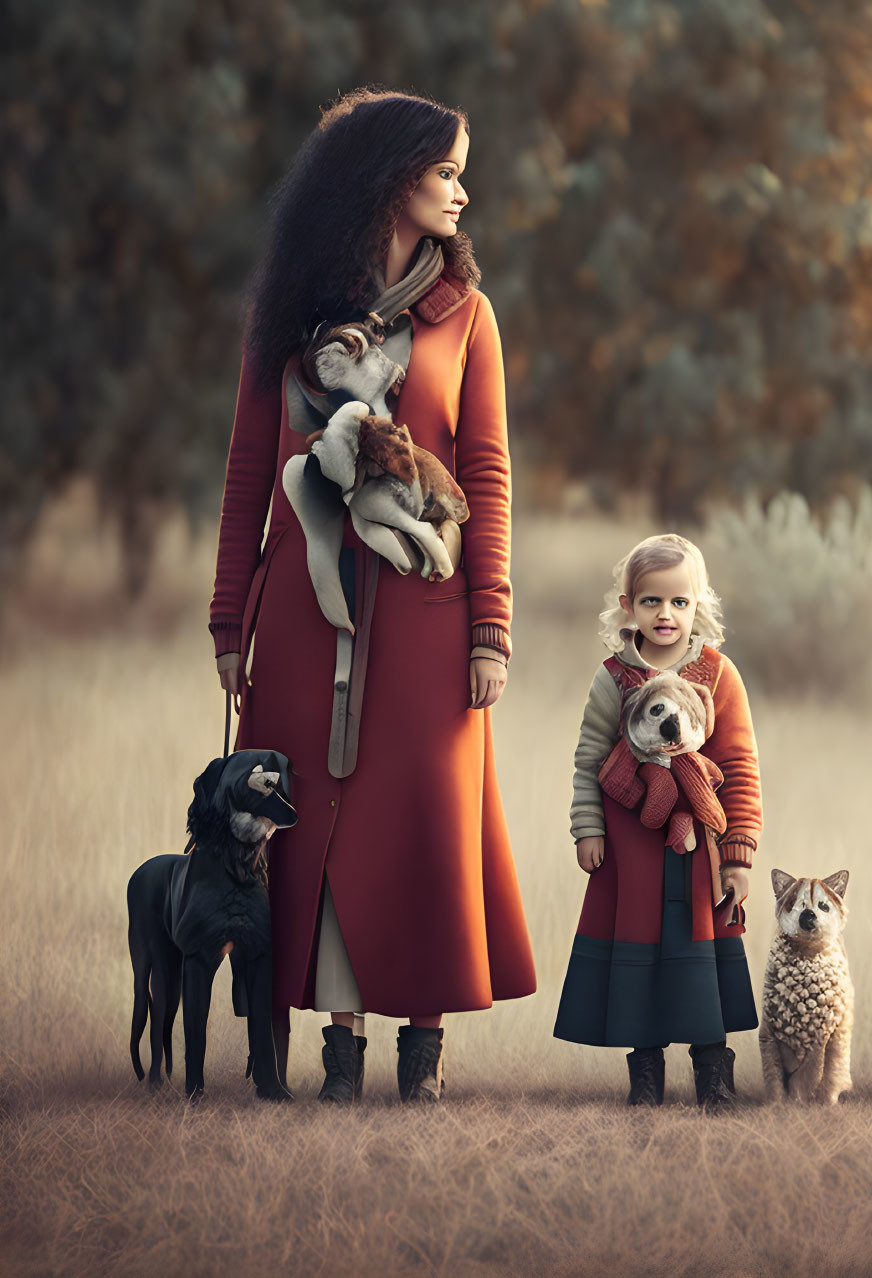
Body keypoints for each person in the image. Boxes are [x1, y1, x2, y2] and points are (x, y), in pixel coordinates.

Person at [209, 88, 535, 1104]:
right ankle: (338, 1053)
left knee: (426, 825)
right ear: (386, 180)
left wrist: (491, 626)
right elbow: (249, 472)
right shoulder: (288, 314)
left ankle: (421, 1054)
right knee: (314, 823)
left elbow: (486, 475)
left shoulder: (464, 316)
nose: (459, 191)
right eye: (444, 172)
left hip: (429, 620)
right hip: (303, 617)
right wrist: (230, 617)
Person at [553, 534, 762, 1110]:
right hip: (631, 847)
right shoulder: (612, 677)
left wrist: (739, 856)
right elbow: (591, 758)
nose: (665, 615)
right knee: (639, 955)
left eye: (679, 602)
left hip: (700, 848)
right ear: (627, 605)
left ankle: (714, 1077)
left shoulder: (719, 675)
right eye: (650, 602)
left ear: (700, 605)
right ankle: (645, 1077)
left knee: (700, 959)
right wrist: (588, 827)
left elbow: (739, 767)